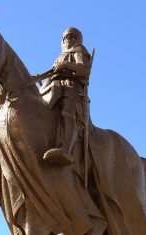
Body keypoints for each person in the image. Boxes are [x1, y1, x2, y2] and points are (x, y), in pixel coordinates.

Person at [40, 27, 92, 165]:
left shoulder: (79, 50)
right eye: (66, 37)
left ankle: (66, 150)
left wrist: (65, 64)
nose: (68, 39)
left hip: (71, 88)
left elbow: (84, 70)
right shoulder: (59, 57)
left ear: (78, 39)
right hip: (55, 88)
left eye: (72, 36)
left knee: (67, 112)